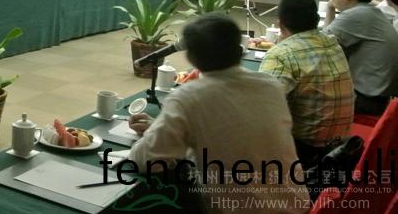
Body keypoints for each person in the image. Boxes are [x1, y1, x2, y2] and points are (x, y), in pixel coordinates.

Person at [128, 14, 310, 213]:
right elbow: (232, 137)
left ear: (191, 58)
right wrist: (165, 129)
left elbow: (144, 159)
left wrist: (158, 132)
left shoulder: (188, 97)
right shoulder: (271, 86)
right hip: (297, 206)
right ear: (240, 51)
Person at [259, 0, 354, 165]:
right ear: (316, 20)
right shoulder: (333, 44)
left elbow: (263, 110)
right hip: (341, 148)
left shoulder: (281, 54)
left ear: (280, 25)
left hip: (304, 152)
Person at [324, 0, 398, 115]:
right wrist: (330, 9)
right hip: (379, 97)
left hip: (366, 101)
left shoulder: (356, 15)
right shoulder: (369, 11)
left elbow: (317, 45)